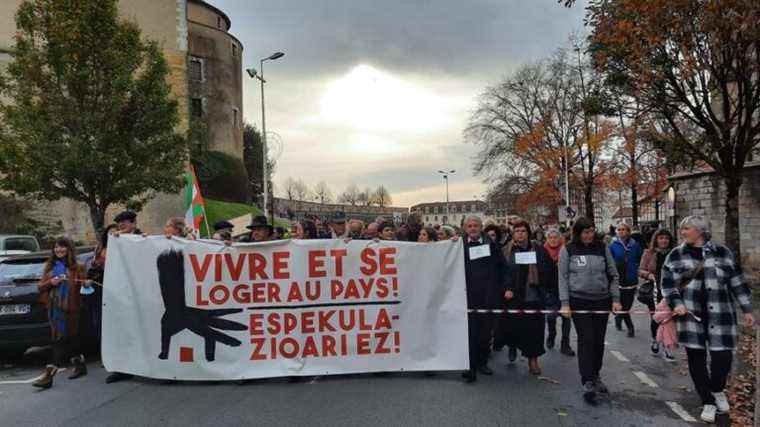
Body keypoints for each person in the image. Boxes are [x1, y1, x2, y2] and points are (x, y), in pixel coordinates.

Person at [661, 216, 754, 423]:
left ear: (700, 231)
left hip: (721, 315)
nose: (682, 232)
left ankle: (717, 389)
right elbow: (668, 285)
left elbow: (737, 282)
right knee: (697, 360)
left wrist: (747, 309)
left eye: (687, 228)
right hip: (690, 316)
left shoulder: (722, 252)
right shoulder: (676, 255)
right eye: (682, 228)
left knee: (723, 359)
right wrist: (677, 303)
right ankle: (708, 401)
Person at [559, 217, 621, 405]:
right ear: (578, 233)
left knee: (599, 341)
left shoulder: (602, 248)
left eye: (591, 231)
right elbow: (562, 277)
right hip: (579, 301)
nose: (589, 235)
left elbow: (613, 274)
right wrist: (565, 303)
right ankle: (587, 380)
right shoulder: (568, 250)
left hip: (601, 301)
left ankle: (595, 374)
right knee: (587, 340)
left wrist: (616, 299)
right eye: (585, 232)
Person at [460, 215, 511, 383]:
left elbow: (503, 267)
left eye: (476, 225)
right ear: (465, 228)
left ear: (481, 227)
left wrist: (506, 287)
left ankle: (482, 362)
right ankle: (470, 367)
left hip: (488, 295)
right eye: (470, 226)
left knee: (484, 333)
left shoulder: (490, 244)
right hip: (468, 296)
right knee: (470, 333)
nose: (473, 228)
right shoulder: (459, 244)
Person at [33, 238, 87, 389]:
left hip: (72, 309)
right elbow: (40, 287)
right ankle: (80, 366)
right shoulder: (50, 267)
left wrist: (86, 283)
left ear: (69, 249)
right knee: (64, 338)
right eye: (56, 247)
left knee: (63, 339)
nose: (59, 250)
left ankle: (49, 375)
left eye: (62, 247)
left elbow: (84, 288)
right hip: (54, 310)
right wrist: (52, 282)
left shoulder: (78, 267)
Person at [496, 219, 549, 375]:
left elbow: (547, 270)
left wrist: (543, 287)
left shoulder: (538, 249)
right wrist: (506, 288)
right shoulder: (506, 250)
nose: (520, 234)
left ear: (528, 233)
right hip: (513, 296)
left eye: (523, 231)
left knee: (535, 330)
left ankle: (533, 360)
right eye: (517, 231)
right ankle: (512, 347)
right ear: (513, 234)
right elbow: (501, 272)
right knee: (513, 327)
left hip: (533, 296)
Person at [638, 228, 676, 360]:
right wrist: (649, 275)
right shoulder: (648, 253)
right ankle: (655, 339)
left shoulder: (674, 253)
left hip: (670, 290)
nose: (664, 241)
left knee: (668, 319)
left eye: (666, 238)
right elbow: (641, 270)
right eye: (661, 238)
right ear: (656, 240)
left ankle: (667, 346)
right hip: (655, 290)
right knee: (656, 318)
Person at [82, 224, 118, 355]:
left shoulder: (124, 249)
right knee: (100, 325)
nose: (113, 235)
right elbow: (93, 269)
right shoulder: (100, 249)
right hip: (100, 292)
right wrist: (89, 280)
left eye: (116, 233)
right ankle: (106, 354)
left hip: (117, 292)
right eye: (110, 233)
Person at [543, 228, 575, 357]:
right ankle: (551, 334)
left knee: (566, 317)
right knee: (551, 316)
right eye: (550, 237)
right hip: (550, 290)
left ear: (560, 239)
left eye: (555, 237)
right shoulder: (542, 251)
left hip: (565, 289)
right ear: (547, 239)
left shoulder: (565, 251)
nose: (553, 240)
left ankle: (565, 343)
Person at [609, 222, 643, 337]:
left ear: (628, 232)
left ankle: (619, 318)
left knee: (627, 305)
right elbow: (609, 261)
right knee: (622, 305)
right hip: (618, 279)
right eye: (619, 230)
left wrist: (635, 268)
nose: (621, 231)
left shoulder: (635, 245)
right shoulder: (613, 245)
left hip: (631, 279)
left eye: (624, 229)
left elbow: (640, 258)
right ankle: (630, 327)